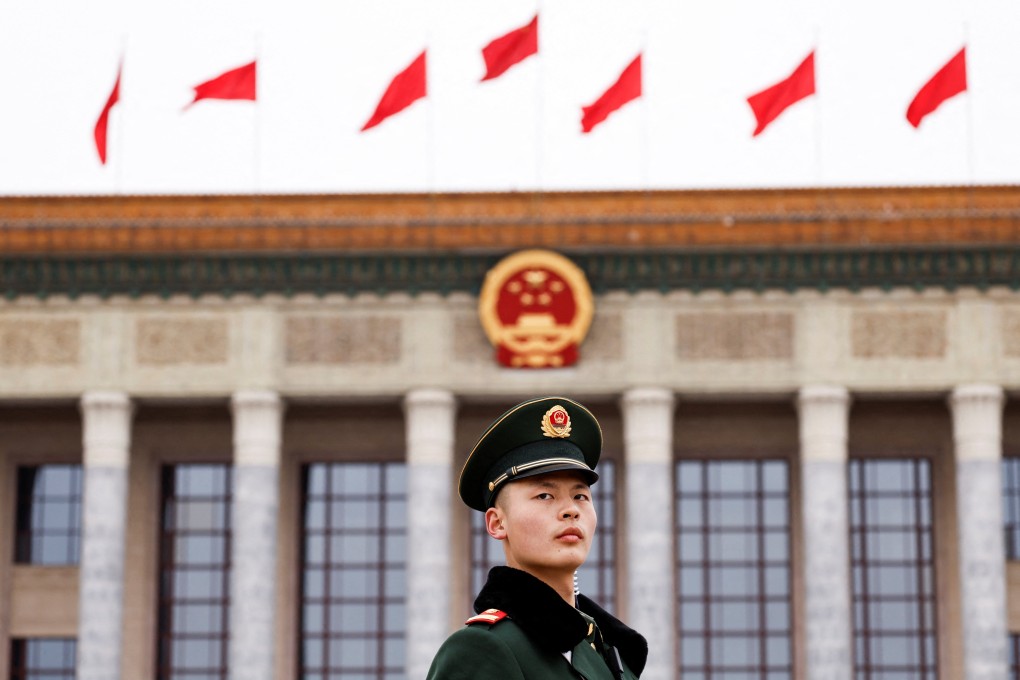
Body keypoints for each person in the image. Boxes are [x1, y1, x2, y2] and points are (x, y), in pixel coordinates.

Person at [426, 396, 647, 680]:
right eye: (545, 496)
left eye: (580, 496)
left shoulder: (607, 650)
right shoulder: (482, 648)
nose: (571, 510)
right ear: (497, 523)